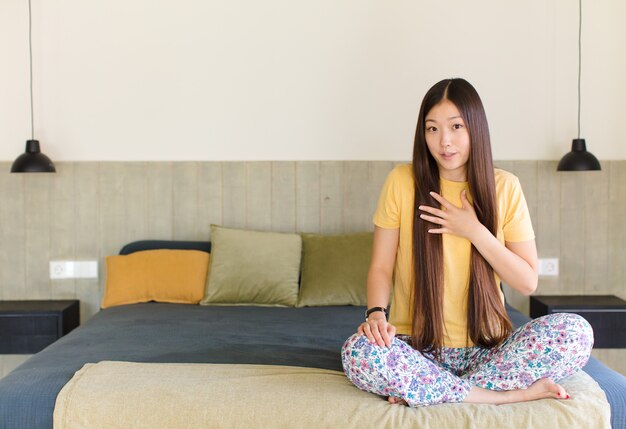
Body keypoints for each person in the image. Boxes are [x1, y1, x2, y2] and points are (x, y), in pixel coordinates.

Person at [341, 78, 593, 407]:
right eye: (432, 129)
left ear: (475, 127)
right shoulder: (402, 182)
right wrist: (375, 315)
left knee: (576, 332)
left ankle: (431, 390)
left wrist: (474, 231)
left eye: (456, 126)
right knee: (358, 353)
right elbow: (381, 266)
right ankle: (501, 397)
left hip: (489, 349)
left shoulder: (505, 187)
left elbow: (527, 281)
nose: (444, 141)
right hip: (416, 347)